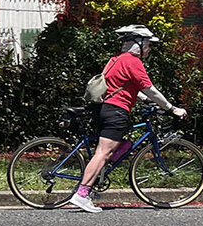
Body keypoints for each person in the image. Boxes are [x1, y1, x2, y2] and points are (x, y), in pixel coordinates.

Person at [67, 24, 187, 213]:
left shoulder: (115, 60)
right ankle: (82, 194)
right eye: (147, 44)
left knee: (121, 145)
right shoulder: (133, 62)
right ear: (137, 43)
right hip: (116, 111)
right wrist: (172, 108)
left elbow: (124, 87)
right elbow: (150, 88)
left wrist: (144, 99)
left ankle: (96, 179)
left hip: (106, 108)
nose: (149, 48)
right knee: (103, 153)